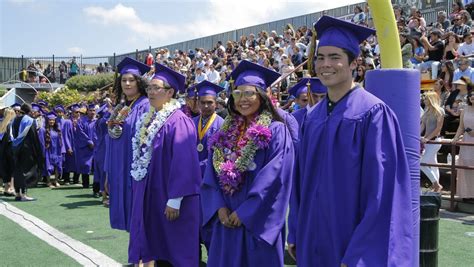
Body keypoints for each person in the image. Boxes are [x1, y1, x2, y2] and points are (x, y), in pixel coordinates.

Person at [289, 16, 414, 266]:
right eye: (320, 57)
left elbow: (382, 193)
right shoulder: (312, 118)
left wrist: (360, 253)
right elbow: (299, 182)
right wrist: (295, 230)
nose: (326, 64)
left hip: (351, 243)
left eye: (335, 57)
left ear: (354, 63)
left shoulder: (374, 114)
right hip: (313, 237)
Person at [201, 60, 294, 266]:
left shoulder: (276, 130)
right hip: (225, 220)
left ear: (262, 96)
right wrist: (219, 207)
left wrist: (245, 212)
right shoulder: (223, 131)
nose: (243, 99)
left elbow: (275, 177)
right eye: (237, 93)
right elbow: (211, 173)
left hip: (256, 223)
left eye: (249, 93)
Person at [128, 63, 201, 266]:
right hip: (153, 194)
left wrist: (175, 200)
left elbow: (184, 162)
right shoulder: (150, 119)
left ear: (170, 93)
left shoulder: (179, 121)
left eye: (156, 88)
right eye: (149, 88)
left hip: (170, 197)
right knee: (158, 248)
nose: (151, 92)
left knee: (176, 249)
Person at [105, 57, 150, 231]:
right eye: (124, 80)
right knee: (129, 220)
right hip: (118, 169)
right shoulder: (121, 108)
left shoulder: (145, 106)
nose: (127, 83)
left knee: (139, 216)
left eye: (131, 80)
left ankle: (142, 256)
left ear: (139, 82)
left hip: (135, 171)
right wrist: (108, 173)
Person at [10, 104, 44, 201]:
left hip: (15, 148)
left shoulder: (15, 120)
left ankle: (17, 194)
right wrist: (37, 151)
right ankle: (24, 195)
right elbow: (33, 137)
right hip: (26, 149)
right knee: (26, 171)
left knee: (17, 170)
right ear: (29, 111)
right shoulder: (29, 121)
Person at [420, 92, 445, 192]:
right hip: (428, 141)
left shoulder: (440, 111)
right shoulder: (426, 111)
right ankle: (436, 188)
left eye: (426, 99)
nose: (424, 100)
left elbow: (438, 129)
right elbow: (422, 126)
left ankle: (436, 185)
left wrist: (427, 138)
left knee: (422, 164)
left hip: (435, 141)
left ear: (431, 99)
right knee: (433, 164)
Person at [453, 90, 474, 200]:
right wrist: (455, 138)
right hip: (466, 141)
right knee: (465, 166)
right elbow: (461, 127)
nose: (473, 96)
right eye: (471, 95)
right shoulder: (464, 109)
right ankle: (466, 194)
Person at [38, 112, 65, 188]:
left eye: (53, 120)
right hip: (48, 150)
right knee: (48, 166)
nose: (51, 121)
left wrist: (62, 150)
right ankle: (48, 181)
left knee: (58, 166)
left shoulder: (57, 130)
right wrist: (43, 152)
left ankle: (56, 180)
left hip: (57, 151)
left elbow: (61, 140)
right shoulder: (43, 130)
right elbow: (41, 142)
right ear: (47, 120)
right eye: (50, 120)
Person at [0, 108, 16, 196]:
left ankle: (6, 188)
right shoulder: (10, 124)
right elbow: (12, 138)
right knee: (13, 168)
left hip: (2, 149)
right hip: (10, 148)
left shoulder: (1, 123)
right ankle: (11, 188)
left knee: (5, 168)